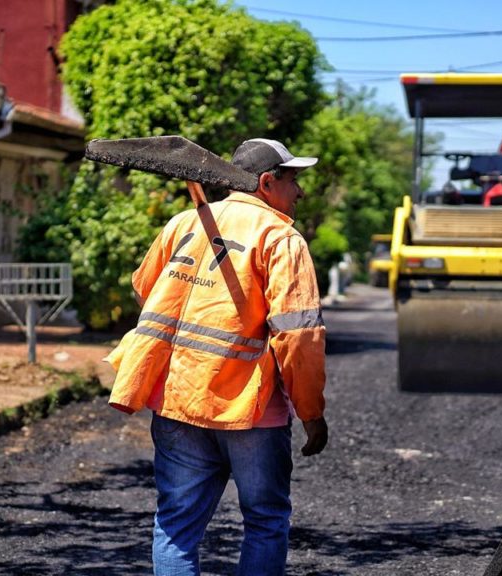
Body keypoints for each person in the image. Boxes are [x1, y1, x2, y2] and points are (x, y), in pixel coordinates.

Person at [104, 138, 329, 576]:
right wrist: (311, 412)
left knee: (176, 526)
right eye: (293, 179)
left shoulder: (184, 222)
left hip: (178, 399)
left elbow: (145, 289)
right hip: (251, 412)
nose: (300, 191)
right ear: (267, 183)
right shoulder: (280, 238)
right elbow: (298, 337)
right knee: (265, 521)